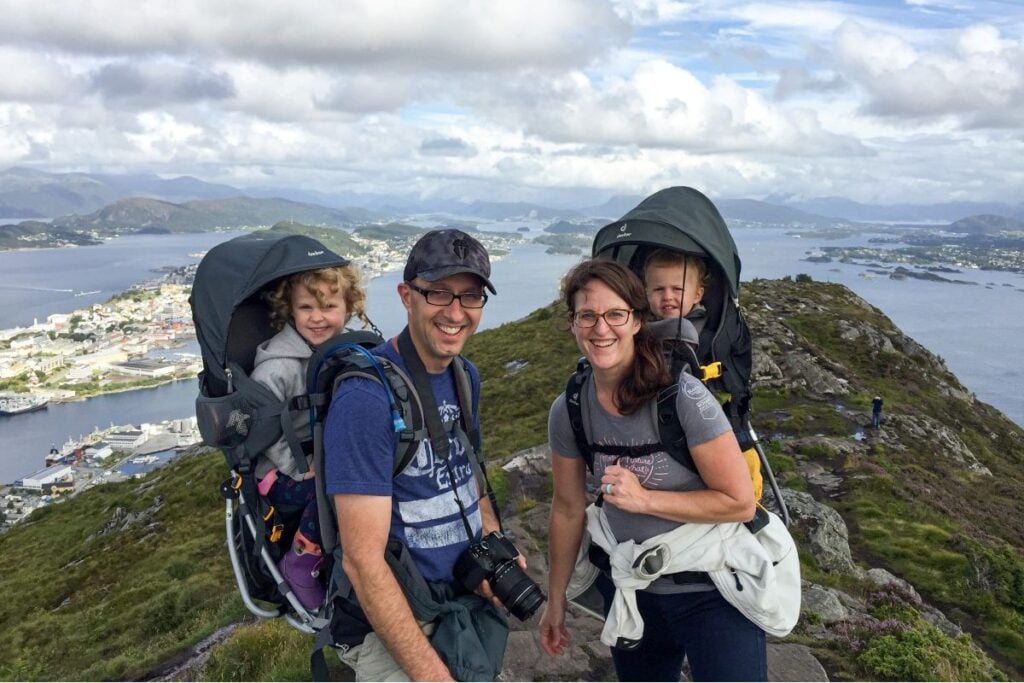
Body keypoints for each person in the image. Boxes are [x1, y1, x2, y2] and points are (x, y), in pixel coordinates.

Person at [539, 259, 768, 682]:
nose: (600, 328)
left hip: (711, 591)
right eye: (586, 315)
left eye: (615, 314)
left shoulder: (682, 396)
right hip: (632, 590)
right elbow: (568, 508)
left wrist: (645, 500)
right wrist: (555, 600)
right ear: (572, 324)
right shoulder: (569, 408)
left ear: (638, 321)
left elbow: (739, 501)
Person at [324, 229, 518, 681]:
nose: (455, 313)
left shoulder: (465, 376)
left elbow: (468, 473)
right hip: (392, 622)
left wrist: (494, 551)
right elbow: (362, 561)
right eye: (438, 293)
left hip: (456, 602)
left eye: (470, 297)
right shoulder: (364, 400)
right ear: (406, 295)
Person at [251, 263, 369, 610]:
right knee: (337, 490)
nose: (317, 318)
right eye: (306, 308)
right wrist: (300, 466)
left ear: (348, 309)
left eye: (329, 307)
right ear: (291, 310)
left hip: (321, 453)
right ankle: (301, 560)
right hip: (278, 471)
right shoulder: (277, 368)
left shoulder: (343, 353)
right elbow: (263, 431)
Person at [643, 249, 708, 329]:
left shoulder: (708, 333)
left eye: (677, 289)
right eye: (659, 289)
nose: (667, 297)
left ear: (697, 295)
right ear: (647, 294)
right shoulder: (639, 327)